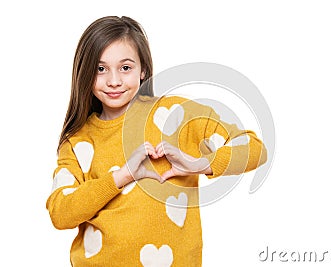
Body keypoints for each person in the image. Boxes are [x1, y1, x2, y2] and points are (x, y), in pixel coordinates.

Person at [46, 15, 267, 266]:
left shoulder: (176, 115)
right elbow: (60, 213)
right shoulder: (77, 140)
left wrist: (200, 164)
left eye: (125, 67)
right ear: (85, 72)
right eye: (100, 68)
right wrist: (122, 176)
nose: (114, 80)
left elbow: (255, 149)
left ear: (144, 71)